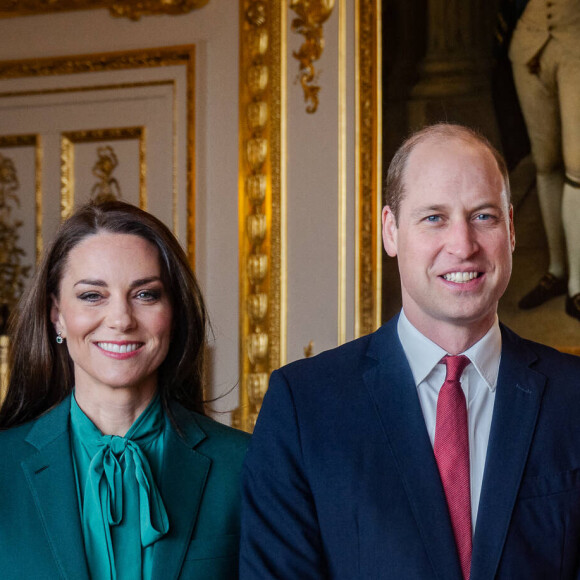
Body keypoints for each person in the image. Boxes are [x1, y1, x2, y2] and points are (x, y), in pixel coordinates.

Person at [240, 124, 580, 579]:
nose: (463, 245)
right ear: (391, 231)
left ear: (511, 230)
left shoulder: (574, 396)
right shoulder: (303, 406)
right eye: (434, 218)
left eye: (483, 216)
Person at [0, 200, 249, 580]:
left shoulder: (244, 464)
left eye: (145, 294)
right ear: (57, 315)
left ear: (174, 311)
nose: (120, 320)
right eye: (91, 295)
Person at [508, 0, 580, 319]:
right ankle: (557, 270)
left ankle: (578, 285)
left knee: (577, 164)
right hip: (528, 46)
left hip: (575, 44)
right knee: (545, 162)